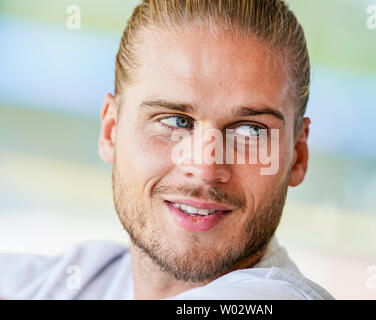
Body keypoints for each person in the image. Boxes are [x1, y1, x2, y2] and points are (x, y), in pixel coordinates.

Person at [0, 0, 334, 300]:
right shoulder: (71, 279)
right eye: (175, 121)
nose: (205, 167)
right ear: (110, 131)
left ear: (298, 155)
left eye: (249, 130)